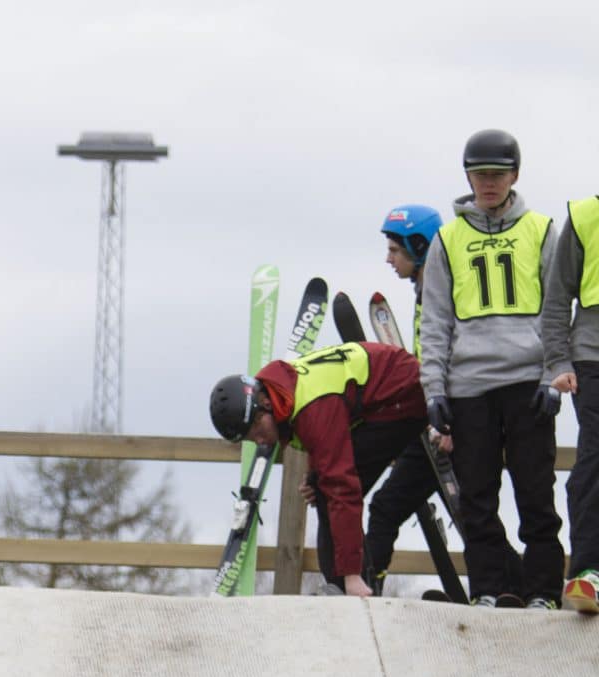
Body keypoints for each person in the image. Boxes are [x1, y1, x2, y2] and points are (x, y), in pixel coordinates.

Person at [419, 129, 564, 610]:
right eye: (480, 174)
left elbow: (558, 309)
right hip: (469, 387)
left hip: (527, 383)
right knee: (477, 498)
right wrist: (433, 391)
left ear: (514, 176)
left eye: (497, 175)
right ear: (468, 176)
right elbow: (435, 321)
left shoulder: (542, 230)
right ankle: (488, 588)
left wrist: (552, 376)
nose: (488, 183)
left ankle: (543, 590)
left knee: (536, 495)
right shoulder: (448, 238)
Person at [210, 341, 427, 596]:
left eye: (255, 431)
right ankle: (346, 586)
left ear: (264, 407)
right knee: (323, 486)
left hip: (404, 398)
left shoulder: (311, 407)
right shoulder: (283, 389)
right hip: (387, 392)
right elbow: (326, 436)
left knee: (333, 489)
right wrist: (314, 474)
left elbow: (342, 485)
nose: (258, 441)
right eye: (249, 439)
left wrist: (351, 575)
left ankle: (353, 587)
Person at [362, 205, 447, 588]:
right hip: (433, 420)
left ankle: (368, 584)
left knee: (474, 516)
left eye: (395, 249)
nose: (388, 258)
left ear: (419, 245)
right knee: (474, 517)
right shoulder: (425, 292)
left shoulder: (442, 294)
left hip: (448, 425)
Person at [543, 196, 599, 612]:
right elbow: (557, 296)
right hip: (592, 357)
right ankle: (587, 571)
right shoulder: (584, 216)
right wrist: (558, 361)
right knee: (596, 458)